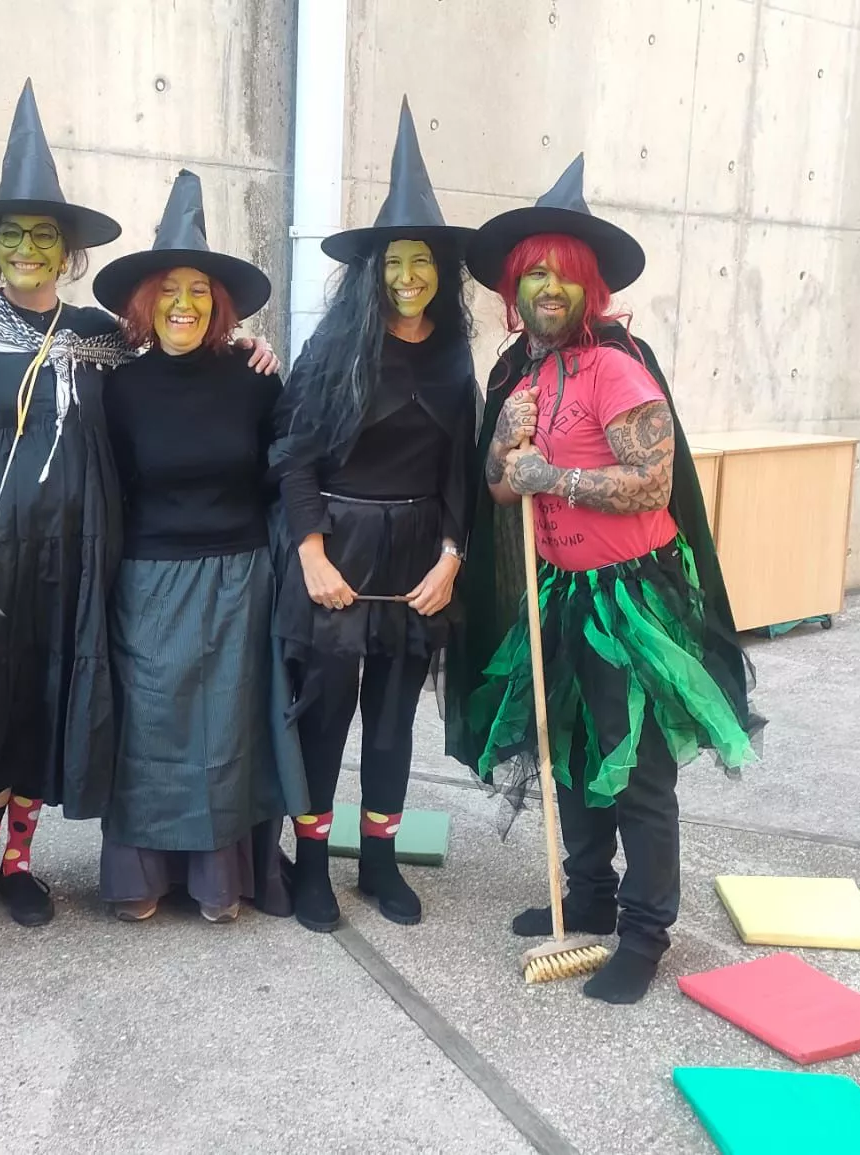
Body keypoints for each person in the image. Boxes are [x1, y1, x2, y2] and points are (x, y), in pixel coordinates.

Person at [0, 82, 275, 931]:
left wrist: (245, 341)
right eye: (12, 236)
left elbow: (177, 342)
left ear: (67, 251)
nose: (27, 250)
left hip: (81, 550)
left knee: (46, 694)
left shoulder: (98, 334)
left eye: (43, 237)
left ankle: (19, 864)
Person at [452, 156, 762, 1004]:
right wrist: (503, 444)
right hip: (563, 590)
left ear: (590, 287)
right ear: (514, 288)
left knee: (638, 772)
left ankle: (645, 930)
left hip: (632, 596)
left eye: (564, 274)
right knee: (568, 750)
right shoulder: (522, 373)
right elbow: (501, 490)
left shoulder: (615, 368)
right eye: (534, 274)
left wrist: (551, 475)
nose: (548, 287)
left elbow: (652, 484)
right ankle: (586, 893)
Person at [270, 100, 478, 933]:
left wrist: (452, 556)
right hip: (340, 547)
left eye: (422, 260)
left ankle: (380, 863)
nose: (409, 275)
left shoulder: (455, 353)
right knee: (324, 717)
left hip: (417, 555)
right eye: (396, 260)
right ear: (375, 268)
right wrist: (311, 552)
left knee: (392, 723)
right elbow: (293, 455)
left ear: (441, 271)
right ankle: (313, 866)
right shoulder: (334, 347)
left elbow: (459, 467)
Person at [87, 170, 306, 923]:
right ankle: (142, 874)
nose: (185, 304)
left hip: (240, 576)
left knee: (227, 728)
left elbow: (289, 470)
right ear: (146, 302)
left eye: (200, 291)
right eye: (169, 290)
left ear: (219, 304)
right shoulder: (119, 387)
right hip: (148, 580)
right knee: (151, 725)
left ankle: (220, 880)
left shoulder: (255, 379)